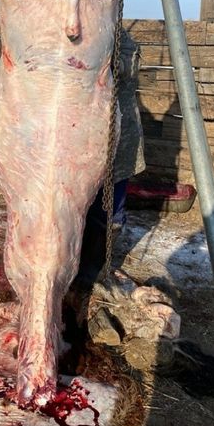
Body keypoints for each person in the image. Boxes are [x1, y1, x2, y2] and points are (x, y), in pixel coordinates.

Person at [77, 29, 145, 286]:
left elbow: (128, 68)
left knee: (109, 208)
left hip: (119, 137)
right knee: (80, 206)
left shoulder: (122, 40)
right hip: (83, 140)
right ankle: (75, 260)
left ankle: (94, 268)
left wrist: (98, 59)